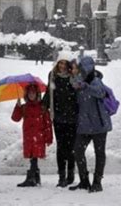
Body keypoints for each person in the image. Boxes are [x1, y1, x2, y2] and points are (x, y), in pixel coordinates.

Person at [69, 56, 112, 193]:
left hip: (99, 124)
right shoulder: (80, 81)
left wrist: (86, 86)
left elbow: (100, 93)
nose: (80, 71)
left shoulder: (96, 81)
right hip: (84, 125)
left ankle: (97, 182)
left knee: (99, 153)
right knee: (78, 151)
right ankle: (84, 181)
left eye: (81, 68)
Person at [42, 53, 78, 188]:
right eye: (60, 63)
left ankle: (71, 174)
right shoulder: (53, 76)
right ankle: (61, 177)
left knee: (72, 147)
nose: (62, 66)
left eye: (65, 63)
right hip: (58, 117)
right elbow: (48, 92)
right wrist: (43, 105)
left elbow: (79, 94)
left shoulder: (74, 77)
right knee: (61, 147)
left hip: (73, 117)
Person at [12, 84, 53, 187]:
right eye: (29, 93)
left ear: (37, 94)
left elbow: (48, 124)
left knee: (34, 156)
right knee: (32, 156)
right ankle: (36, 177)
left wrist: (48, 138)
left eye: (33, 93)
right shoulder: (24, 107)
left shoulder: (42, 107)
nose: (31, 95)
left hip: (39, 137)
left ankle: (31, 178)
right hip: (28, 136)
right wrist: (17, 106)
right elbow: (15, 118)